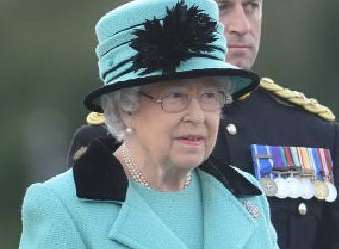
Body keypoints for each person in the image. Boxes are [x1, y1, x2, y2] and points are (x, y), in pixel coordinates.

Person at [67, 1, 339, 249]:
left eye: (251, 7)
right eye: (222, 7)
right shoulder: (111, 139)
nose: (241, 27)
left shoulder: (312, 131)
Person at [19, 0, 279, 248]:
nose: (197, 116)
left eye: (209, 96)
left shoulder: (247, 198)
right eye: (176, 96)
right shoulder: (63, 206)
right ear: (125, 108)